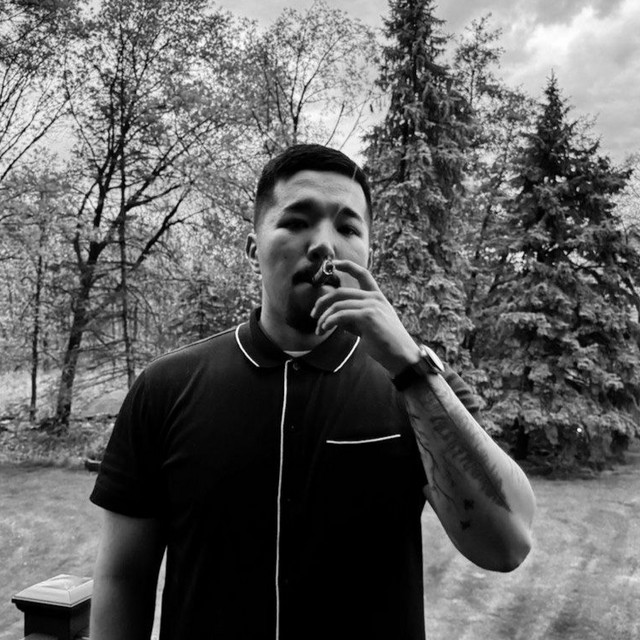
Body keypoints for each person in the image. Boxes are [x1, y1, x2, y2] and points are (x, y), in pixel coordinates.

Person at [89, 143, 536, 640]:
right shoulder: (165, 388)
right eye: (297, 221)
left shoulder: (422, 388)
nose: (324, 244)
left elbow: (508, 546)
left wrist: (410, 368)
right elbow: (123, 577)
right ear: (254, 247)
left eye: (348, 228)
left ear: (368, 254)